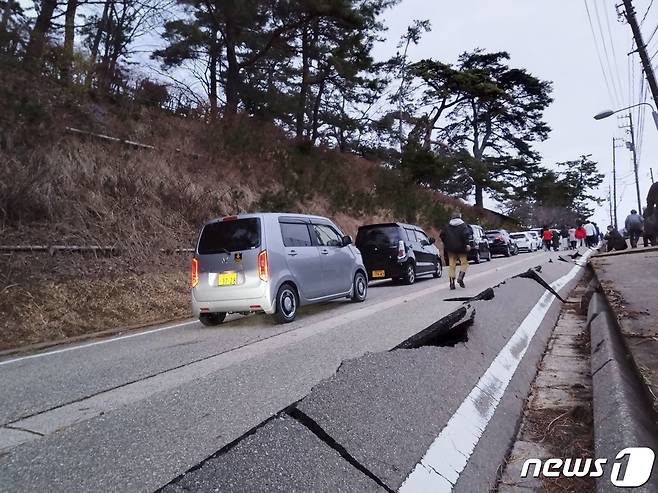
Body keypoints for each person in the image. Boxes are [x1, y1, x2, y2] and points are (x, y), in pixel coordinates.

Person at [440, 211, 471, 290]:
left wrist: (446, 243)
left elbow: (442, 235)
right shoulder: (463, 225)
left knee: (452, 265)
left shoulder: (447, 226)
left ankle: (451, 283)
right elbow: (466, 235)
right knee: (464, 263)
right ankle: (460, 277)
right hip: (461, 248)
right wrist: (467, 244)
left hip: (451, 249)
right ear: (460, 217)